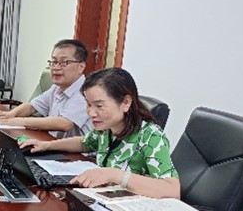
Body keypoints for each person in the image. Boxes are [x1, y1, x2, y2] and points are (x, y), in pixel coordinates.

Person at [20, 67, 180, 199]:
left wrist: (114, 175)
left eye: (99, 106)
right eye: (88, 105)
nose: (91, 113)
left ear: (126, 102)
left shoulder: (151, 135)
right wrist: (47, 145)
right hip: (104, 201)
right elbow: (84, 143)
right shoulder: (106, 129)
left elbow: (172, 189)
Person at [0, 39, 92, 138]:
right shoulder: (56, 88)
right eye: (54, 62)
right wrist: (9, 115)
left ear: (81, 67)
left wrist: (17, 121)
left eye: (64, 62)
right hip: (52, 143)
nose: (56, 67)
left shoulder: (86, 91)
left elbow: (64, 123)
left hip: (75, 150)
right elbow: (32, 106)